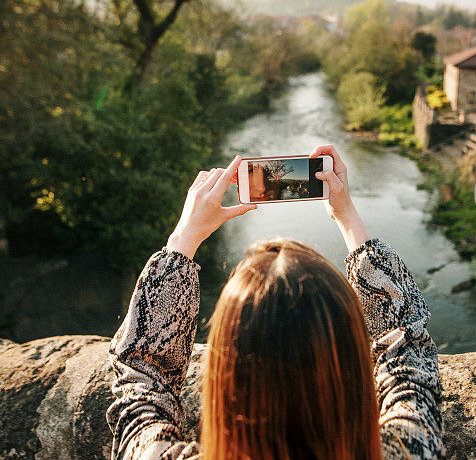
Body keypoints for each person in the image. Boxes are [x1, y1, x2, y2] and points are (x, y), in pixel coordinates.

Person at [107, 145, 445, 460]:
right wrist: (346, 215)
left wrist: (183, 238)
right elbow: (405, 348)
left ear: (225, 379)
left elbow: (142, 378)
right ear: (352, 367)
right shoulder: (412, 448)